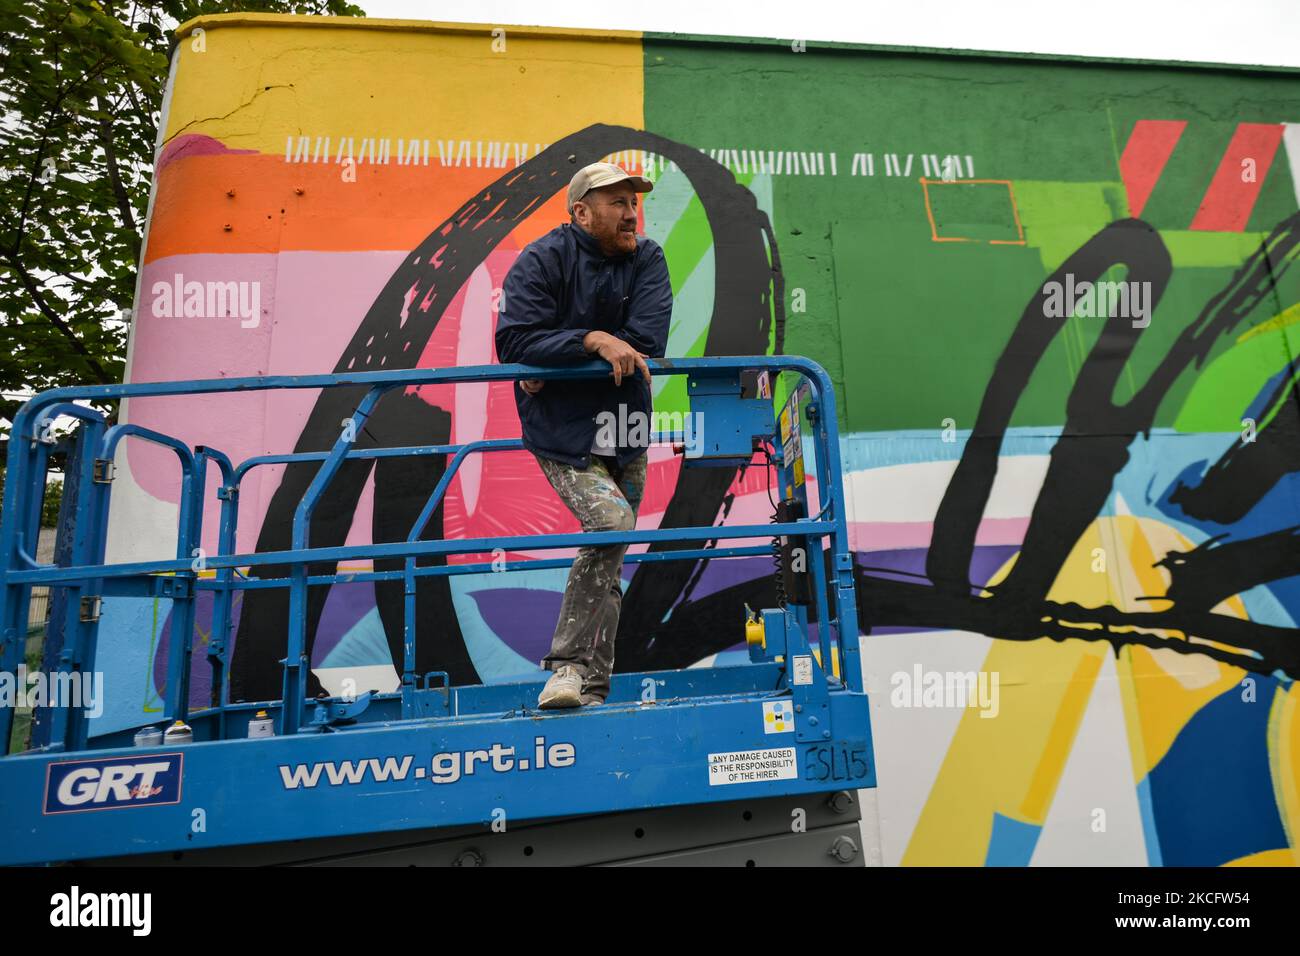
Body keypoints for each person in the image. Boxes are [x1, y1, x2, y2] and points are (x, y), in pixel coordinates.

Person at [494, 162, 673, 709]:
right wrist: (594, 339)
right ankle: (568, 668)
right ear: (580, 212)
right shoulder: (543, 258)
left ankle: (591, 691)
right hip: (563, 432)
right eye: (616, 202)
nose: (630, 212)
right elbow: (515, 343)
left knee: (609, 552)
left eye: (632, 201)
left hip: (626, 429)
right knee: (612, 524)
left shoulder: (649, 257)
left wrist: (558, 351)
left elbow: (647, 338)